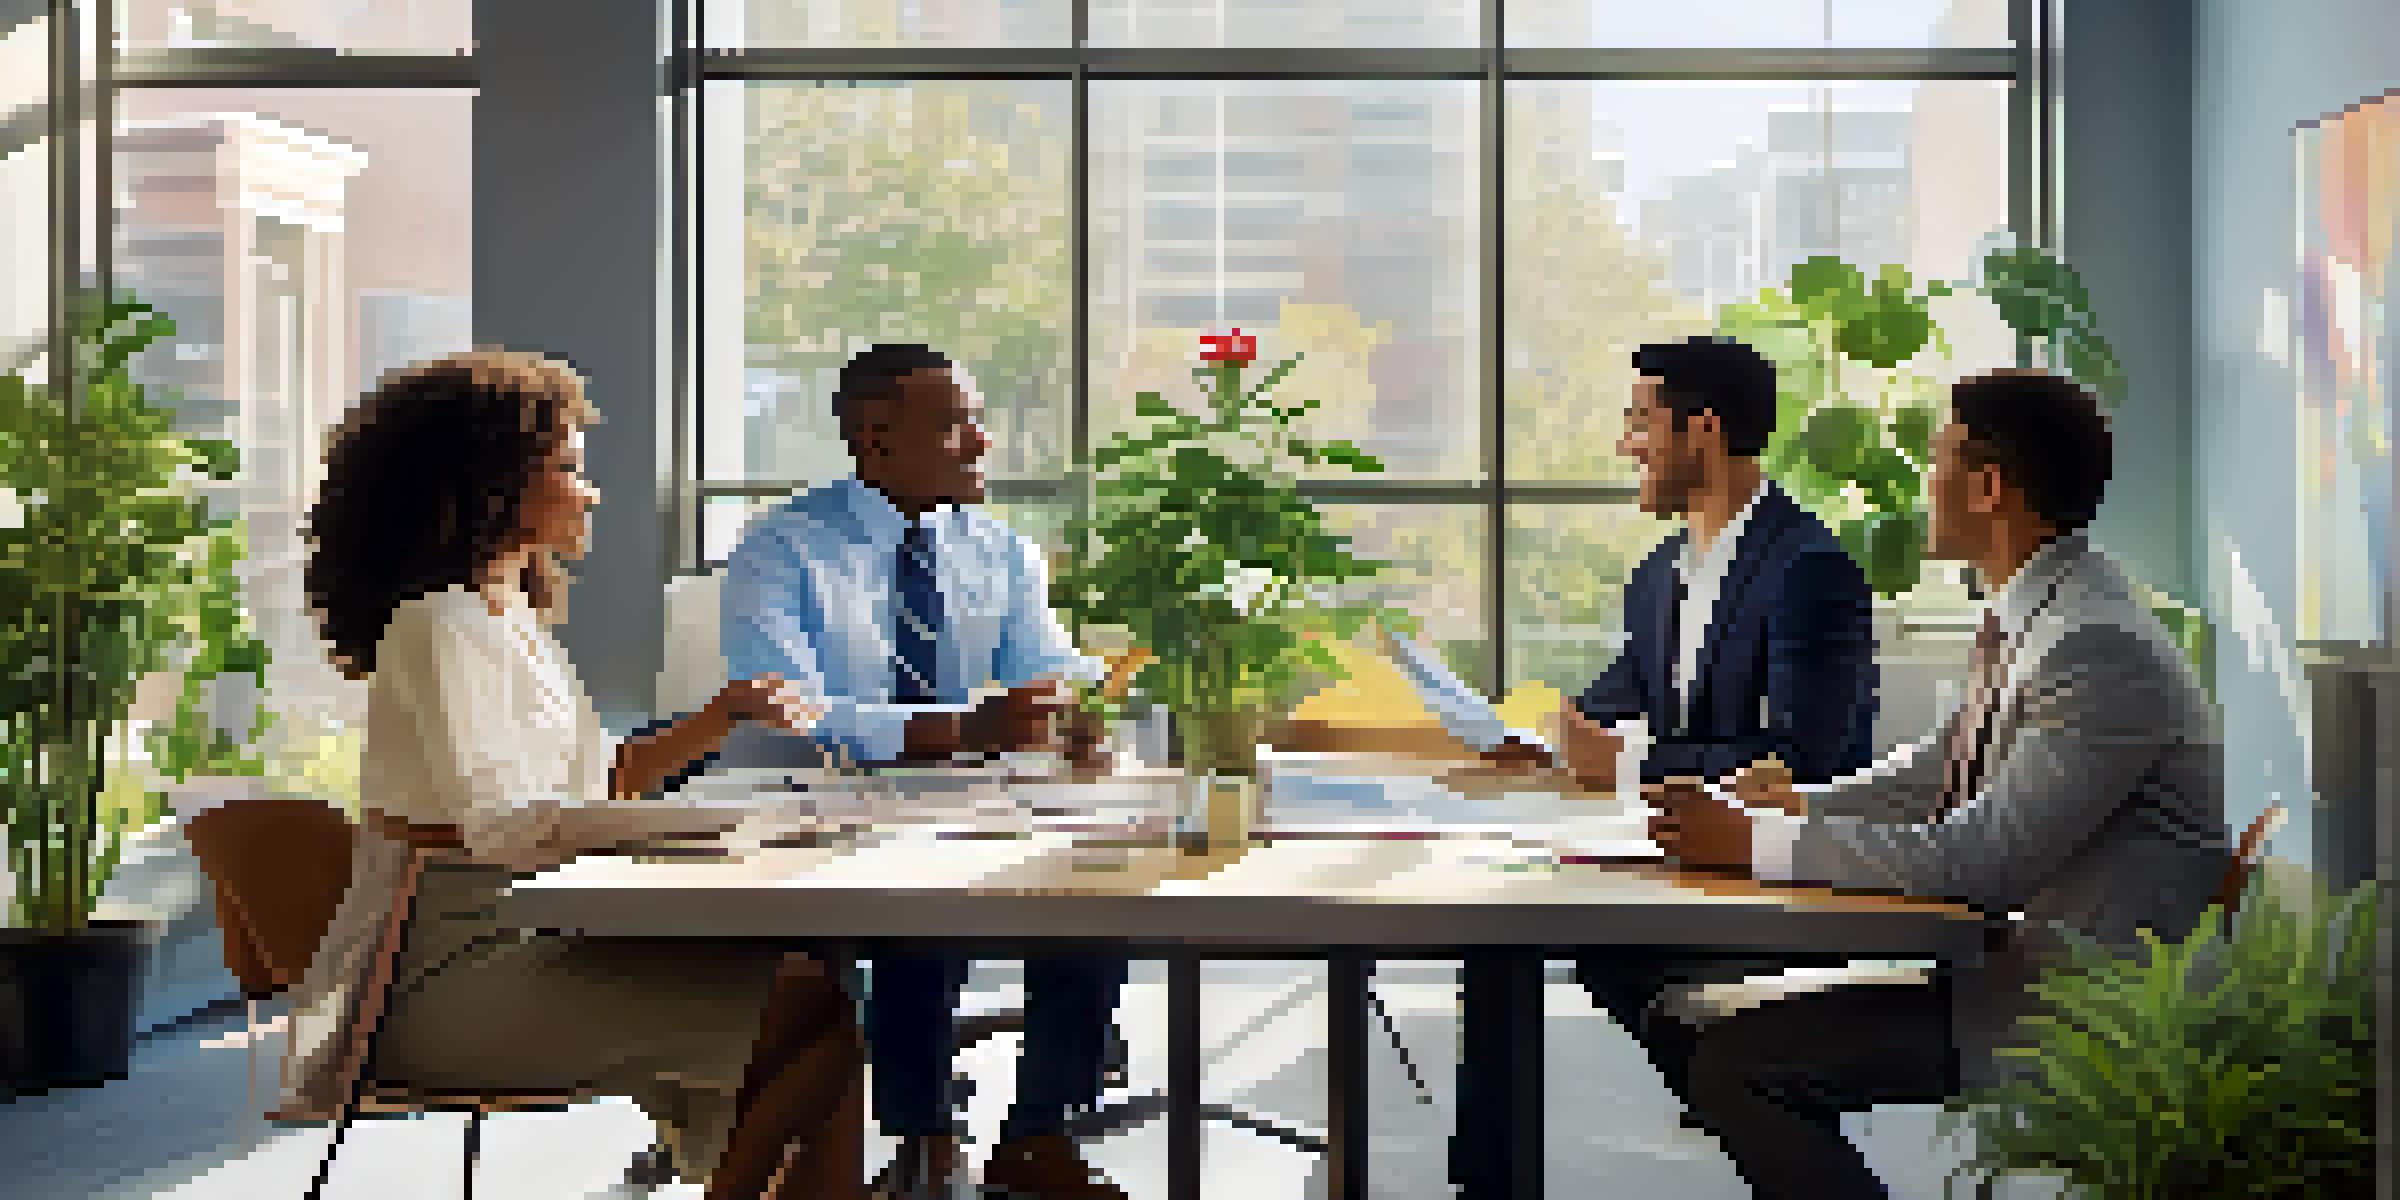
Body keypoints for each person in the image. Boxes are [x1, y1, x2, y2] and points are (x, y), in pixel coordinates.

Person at [1645, 368, 2231, 1199]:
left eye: (1937, 457)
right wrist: (1798, 805)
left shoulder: (2093, 646)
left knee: (1737, 1063)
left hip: (2073, 1003)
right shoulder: (2042, 611)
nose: (1924, 480)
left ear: (1987, 487)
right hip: (2011, 964)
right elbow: (1942, 764)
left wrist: (1760, 843)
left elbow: (1985, 861)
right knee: (1681, 1013)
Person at [291, 349, 865, 1198]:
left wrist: (719, 721)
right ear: (487, 483)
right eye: (566, 467)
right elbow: (508, 827)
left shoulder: (506, 617)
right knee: (815, 1009)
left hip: (529, 934)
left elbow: (593, 793)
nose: (588, 491)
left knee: (818, 985)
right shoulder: (436, 625)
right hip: (440, 980)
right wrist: (722, 824)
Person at [720, 343, 1126, 1199]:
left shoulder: (1000, 551)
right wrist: (956, 728)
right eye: (955, 424)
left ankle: (1039, 1133)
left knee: (1096, 893)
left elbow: (1046, 668)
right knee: (917, 910)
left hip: (982, 803)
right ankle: (925, 1141)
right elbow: (786, 710)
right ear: (874, 437)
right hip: (835, 813)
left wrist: (1088, 711)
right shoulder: (780, 552)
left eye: (977, 421)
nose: (981, 442)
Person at [1474, 334, 1882, 1133]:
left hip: (1776, 879)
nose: (1627, 445)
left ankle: (1752, 1096)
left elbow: (1806, 761)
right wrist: (1538, 736)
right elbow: (1609, 702)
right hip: (1684, 865)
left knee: (1553, 948)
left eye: (1640, 422)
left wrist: (1624, 763)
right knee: (1500, 942)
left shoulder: (1808, 567)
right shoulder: (1659, 574)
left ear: (1703, 429)